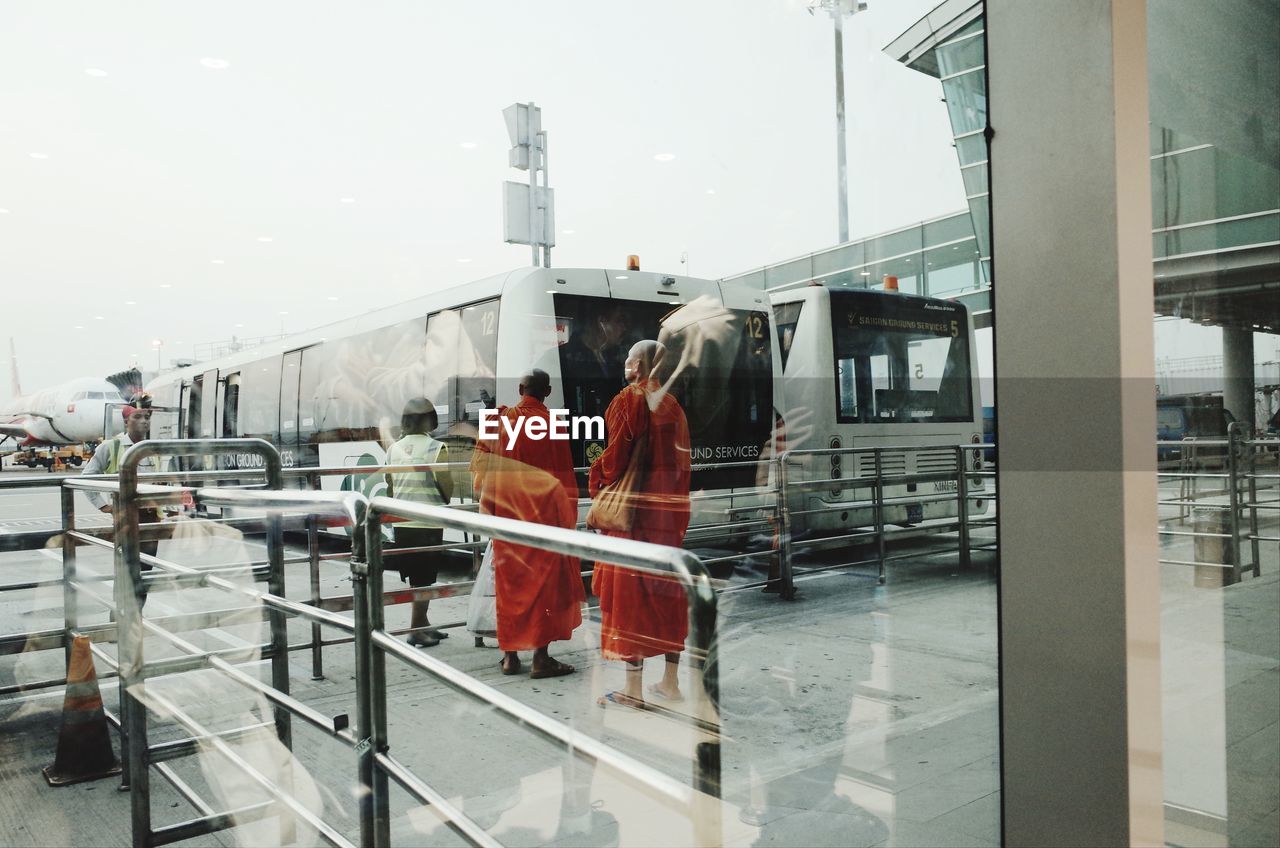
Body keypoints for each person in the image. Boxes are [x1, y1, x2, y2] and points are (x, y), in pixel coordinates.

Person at [589, 340, 692, 709]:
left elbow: (614, 460)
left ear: (642, 365)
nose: (626, 365)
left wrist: (597, 476)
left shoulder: (628, 400)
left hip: (634, 516)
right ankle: (670, 682)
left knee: (629, 598)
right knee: (666, 596)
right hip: (667, 515)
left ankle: (632, 690)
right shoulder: (673, 406)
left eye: (630, 360)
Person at [471, 368, 583, 678]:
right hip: (543, 522)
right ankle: (540, 658)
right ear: (547, 392)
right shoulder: (553, 425)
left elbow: (480, 473)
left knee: (509, 589)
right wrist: (567, 521)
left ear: (520, 388)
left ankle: (510, 658)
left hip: (507, 521)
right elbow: (564, 479)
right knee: (543, 590)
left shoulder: (498, 420)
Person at [384, 398, 453, 648]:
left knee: (417, 576)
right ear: (431, 419)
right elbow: (446, 486)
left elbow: (390, 486)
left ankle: (424, 626)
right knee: (424, 578)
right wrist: (444, 500)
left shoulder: (394, 449)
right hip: (427, 522)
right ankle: (416, 631)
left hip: (403, 521)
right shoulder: (436, 447)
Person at [82, 394, 161, 605]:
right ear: (126, 421)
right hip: (125, 516)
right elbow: (86, 477)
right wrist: (103, 506)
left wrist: (169, 506)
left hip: (151, 518)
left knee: (146, 569)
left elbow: (162, 481)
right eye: (138, 416)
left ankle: (137, 616)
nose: (144, 421)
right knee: (126, 568)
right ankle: (121, 614)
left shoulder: (153, 448)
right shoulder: (111, 447)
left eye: (147, 417)